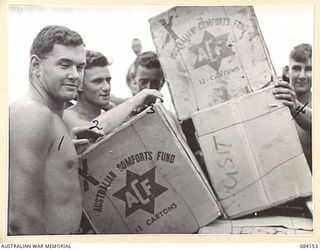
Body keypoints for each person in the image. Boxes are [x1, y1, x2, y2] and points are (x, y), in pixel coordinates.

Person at [9, 25, 103, 235]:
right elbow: (21, 220)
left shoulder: (50, 116)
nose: (74, 75)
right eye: (64, 65)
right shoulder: (31, 115)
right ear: (36, 66)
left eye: (79, 67)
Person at [63, 50, 162, 135]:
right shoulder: (67, 116)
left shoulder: (111, 115)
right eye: (97, 81)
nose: (107, 87)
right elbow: (93, 131)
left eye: (108, 80)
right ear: (79, 85)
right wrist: (134, 101)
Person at [273, 43, 312, 171]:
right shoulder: (273, 103)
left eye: (309, 69)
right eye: (296, 68)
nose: (302, 76)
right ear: (286, 71)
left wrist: (295, 106)